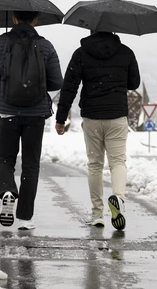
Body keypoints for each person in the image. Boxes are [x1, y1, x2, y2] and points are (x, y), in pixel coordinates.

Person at [0, 11, 63, 230]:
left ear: (14, 19)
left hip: (7, 111)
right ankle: (25, 217)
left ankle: (8, 190)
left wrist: (6, 73)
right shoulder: (46, 46)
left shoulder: (0, 42)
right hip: (35, 113)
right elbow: (56, 82)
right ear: (36, 20)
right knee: (30, 164)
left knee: (5, 159)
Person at [55, 30, 140, 230]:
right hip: (117, 116)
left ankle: (97, 213)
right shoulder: (126, 52)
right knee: (118, 161)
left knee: (95, 164)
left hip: (92, 117)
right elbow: (134, 83)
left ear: (91, 29)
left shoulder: (81, 53)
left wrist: (61, 118)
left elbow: (69, 87)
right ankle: (118, 198)